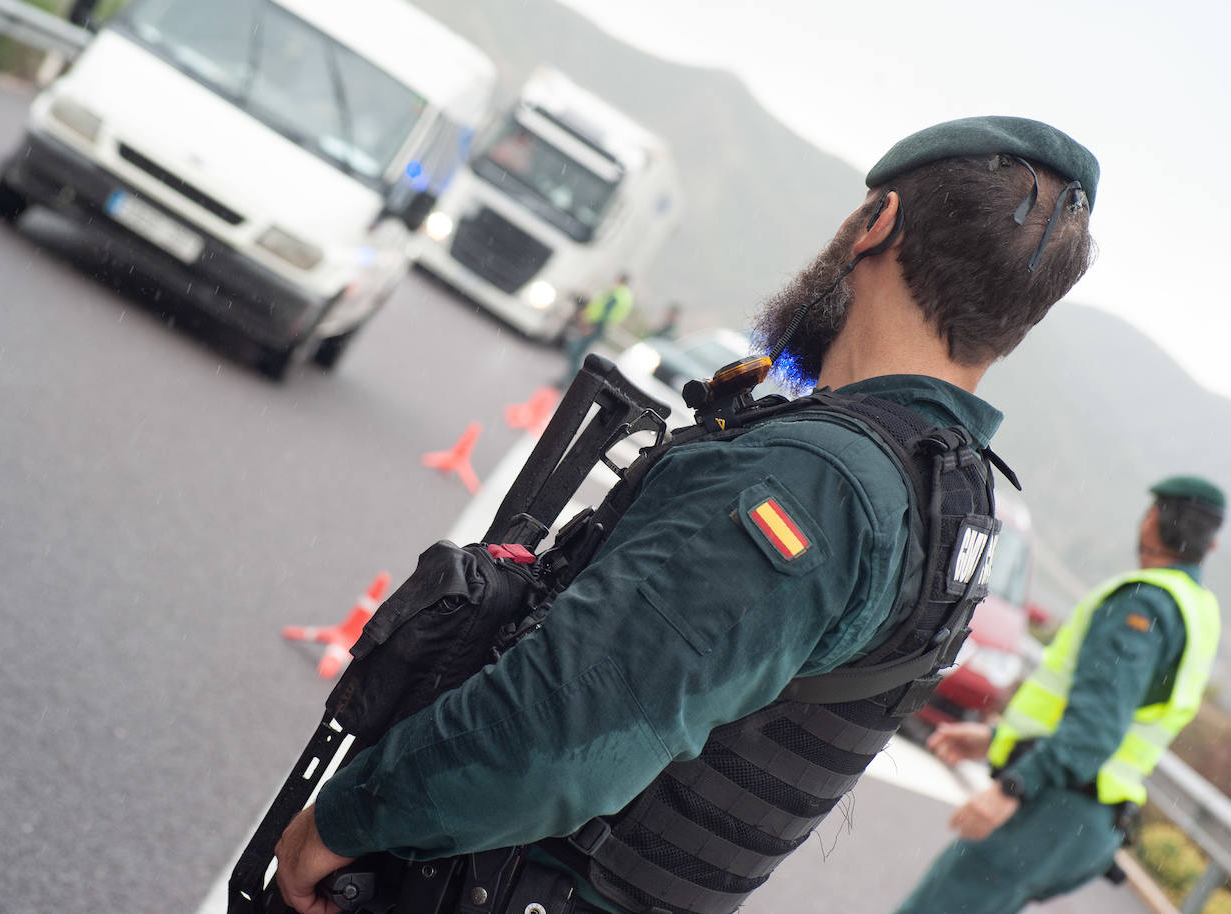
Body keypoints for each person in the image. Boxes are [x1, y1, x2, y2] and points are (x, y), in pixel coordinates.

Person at [273, 116, 1101, 914]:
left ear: (876, 223)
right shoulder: (955, 505)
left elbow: (559, 727)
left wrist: (345, 820)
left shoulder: (819, 480)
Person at [894, 476, 1224, 914]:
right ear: (1211, 545)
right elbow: (1126, 715)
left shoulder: (1142, 604)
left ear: (1151, 521)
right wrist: (997, 740)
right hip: (1092, 817)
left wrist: (1014, 786)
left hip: (1055, 803)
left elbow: (1096, 728)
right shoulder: (1198, 610)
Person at [559, 273, 634, 384]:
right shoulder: (626, 296)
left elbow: (605, 312)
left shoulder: (617, 293)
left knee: (576, 350)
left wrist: (591, 325)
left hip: (596, 325)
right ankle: (573, 378)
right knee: (577, 350)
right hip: (600, 326)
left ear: (620, 279)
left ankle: (572, 379)